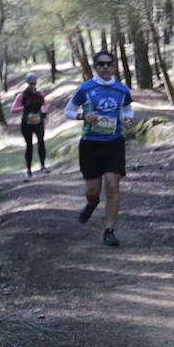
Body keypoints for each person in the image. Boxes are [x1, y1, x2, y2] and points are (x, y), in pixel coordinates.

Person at [64, 50, 133, 247]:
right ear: (95, 66)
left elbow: (128, 109)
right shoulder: (85, 88)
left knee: (112, 185)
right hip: (90, 144)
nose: (105, 67)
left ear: (114, 67)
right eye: (101, 64)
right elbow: (68, 111)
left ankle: (109, 230)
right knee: (93, 190)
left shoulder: (122, 89)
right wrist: (83, 116)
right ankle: (92, 203)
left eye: (109, 63)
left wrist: (128, 118)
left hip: (114, 143)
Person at [11, 72, 49, 178]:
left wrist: (44, 113)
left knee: (41, 143)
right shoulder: (21, 95)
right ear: (27, 83)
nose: (33, 85)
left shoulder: (40, 94)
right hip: (26, 124)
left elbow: (44, 105)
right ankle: (28, 170)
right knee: (29, 145)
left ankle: (43, 167)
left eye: (34, 83)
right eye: (31, 83)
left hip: (38, 122)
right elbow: (13, 109)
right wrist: (24, 107)